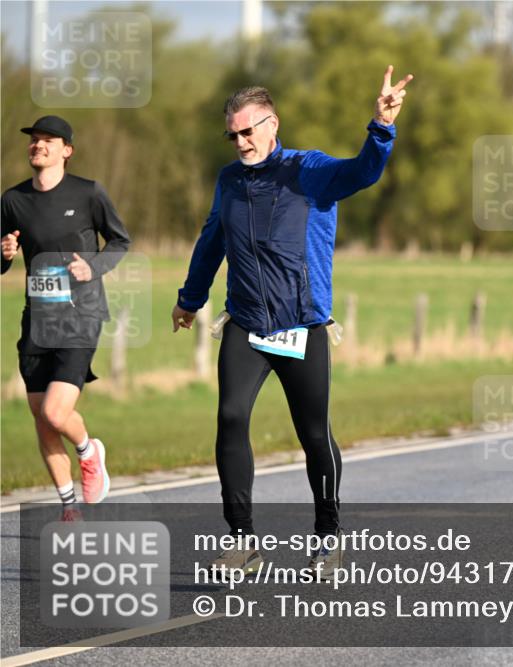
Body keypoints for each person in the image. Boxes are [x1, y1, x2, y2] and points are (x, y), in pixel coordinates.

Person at [172, 67, 412, 578]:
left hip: (301, 325)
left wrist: (381, 127)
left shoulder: (309, 170)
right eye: (232, 134)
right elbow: (212, 238)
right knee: (231, 417)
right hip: (245, 321)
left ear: (272, 124)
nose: (240, 141)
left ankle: (328, 537)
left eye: (248, 130)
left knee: (312, 433)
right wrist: (190, 299)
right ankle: (242, 541)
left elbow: (362, 172)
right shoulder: (229, 180)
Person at [1, 116, 131, 520]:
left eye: (47, 140)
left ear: (66, 150)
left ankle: (89, 452)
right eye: (33, 140)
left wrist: (92, 268)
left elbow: (121, 241)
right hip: (37, 318)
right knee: (41, 418)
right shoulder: (12, 200)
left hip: (81, 314)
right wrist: (4, 254)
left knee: (56, 413)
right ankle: (68, 506)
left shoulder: (89, 192)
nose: (37, 146)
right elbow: (1, 259)